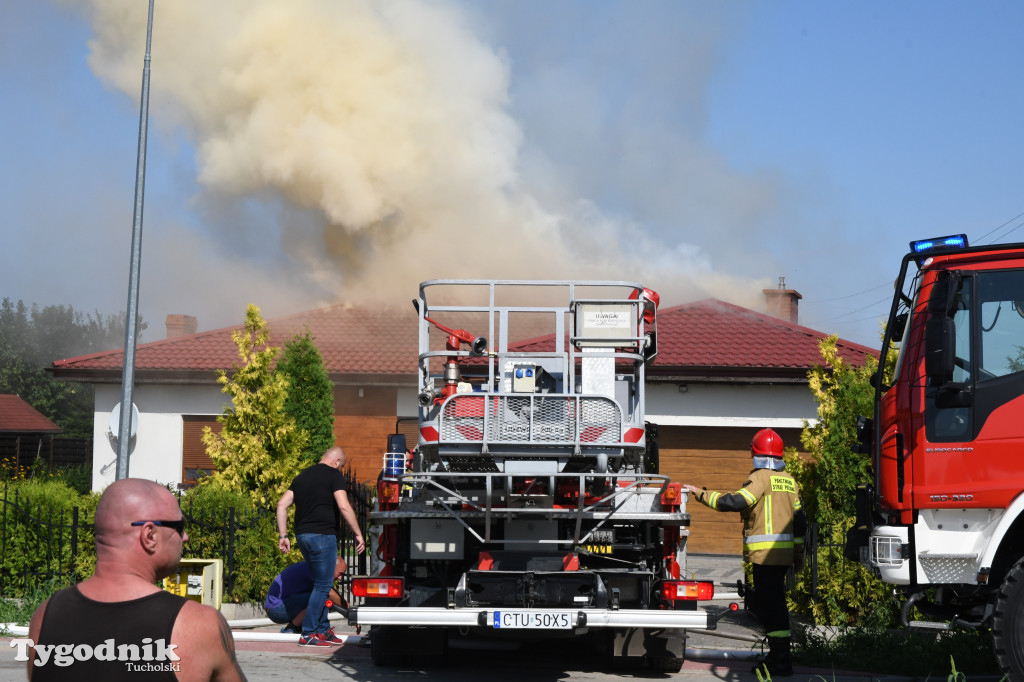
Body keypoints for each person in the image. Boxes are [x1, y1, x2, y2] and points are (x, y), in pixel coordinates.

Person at [25, 478, 246, 681]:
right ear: (149, 535)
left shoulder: (44, 616)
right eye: (179, 527)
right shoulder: (199, 625)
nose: (185, 537)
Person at [683, 428, 805, 678]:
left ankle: (780, 662)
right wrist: (798, 552)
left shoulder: (760, 478)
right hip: (782, 558)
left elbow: (736, 502)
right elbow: (800, 521)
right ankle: (778, 657)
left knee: (770, 608)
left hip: (764, 556)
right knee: (775, 605)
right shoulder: (791, 481)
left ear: (756, 454)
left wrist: (701, 494)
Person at [276, 446, 365, 647]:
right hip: (322, 536)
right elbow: (343, 506)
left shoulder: (302, 477)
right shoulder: (333, 475)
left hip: (303, 536)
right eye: (341, 466)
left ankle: (323, 630)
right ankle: (308, 633)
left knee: (320, 584)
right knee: (323, 584)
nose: (340, 469)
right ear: (336, 462)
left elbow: (281, 504)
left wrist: (283, 535)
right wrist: (358, 533)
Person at [264, 557, 347, 634]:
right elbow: (330, 594)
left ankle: (294, 628)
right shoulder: (316, 571)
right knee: (321, 597)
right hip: (276, 609)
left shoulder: (316, 568)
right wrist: (351, 612)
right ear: (331, 567)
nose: (340, 578)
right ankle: (322, 631)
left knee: (319, 595)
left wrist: (349, 613)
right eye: (340, 574)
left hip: (277, 607)